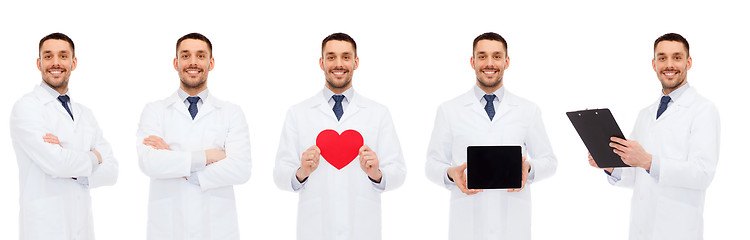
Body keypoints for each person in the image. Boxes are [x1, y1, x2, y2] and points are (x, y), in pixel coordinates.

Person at [273, 32, 407, 240]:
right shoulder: (298, 113)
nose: (339, 64)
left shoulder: (378, 113)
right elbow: (280, 174)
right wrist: (302, 171)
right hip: (315, 229)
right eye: (331, 57)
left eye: (346, 57)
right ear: (321, 62)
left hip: (362, 229)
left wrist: (377, 173)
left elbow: (398, 171)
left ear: (356, 62)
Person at [425, 32, 558, 240]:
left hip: (513, 226)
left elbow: (549, 161)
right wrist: (451, 173)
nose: (489, 63)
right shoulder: (449, 110)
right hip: (467, 226)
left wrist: (528, 168)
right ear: (472, 61)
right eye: (482, 56)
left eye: (496, 56)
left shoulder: (527, 110)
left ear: (507, 61)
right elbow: (432, 164)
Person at [588, 33, 720, 240]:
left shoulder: (703, 110)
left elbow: (703, 174)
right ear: (654, 64)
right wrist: (609, 165)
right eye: (662, 57)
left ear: (689, 62)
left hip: (678, 231)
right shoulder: (645, 114)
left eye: (677, 57)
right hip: (641, 229)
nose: (669, 64)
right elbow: (636, 175)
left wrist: (649, 161)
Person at [136, 32, 252, 240]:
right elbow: (149, 162)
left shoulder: (230, 112)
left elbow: (241, 168)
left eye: (200, 55)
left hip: (217, 229)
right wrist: (209, 156)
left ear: (211, 62)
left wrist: (178, 163)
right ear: (176, 62)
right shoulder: (154, 111)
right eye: (186, 55)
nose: (193, 62)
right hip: (168, 228)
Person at [10, 32, 119, 240]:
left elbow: (112, 171)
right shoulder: (27, 108)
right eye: (48, 56)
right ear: (39, 63)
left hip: (82, 230)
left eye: (63, 56)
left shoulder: (85, 114)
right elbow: (57, 164)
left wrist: (70, 161)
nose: (55, 63)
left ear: (73, 62)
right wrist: (94, 157)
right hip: (45, 229)